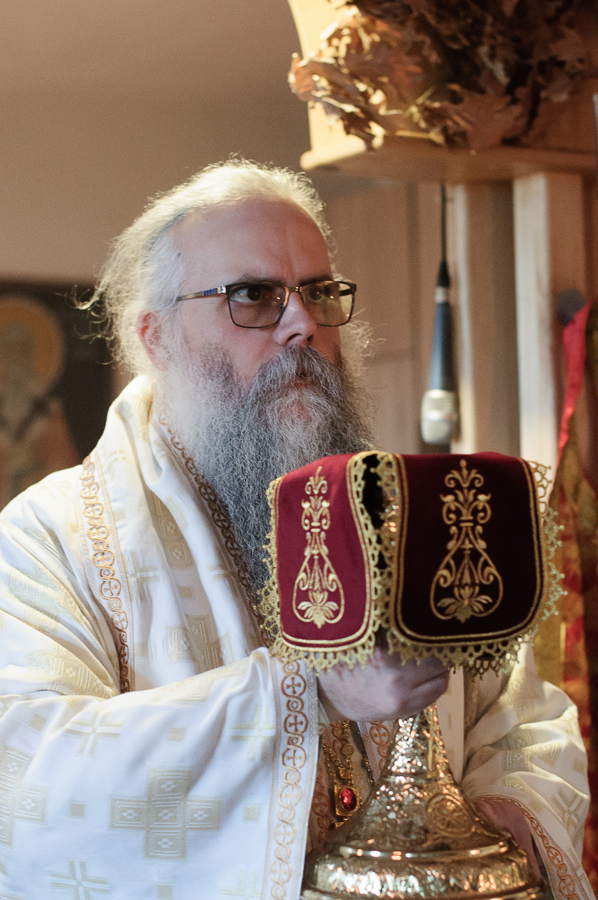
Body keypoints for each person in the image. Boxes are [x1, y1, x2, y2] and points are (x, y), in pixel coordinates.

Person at [0, 160, 591, 900]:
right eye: (253, 295)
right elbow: (26, 783)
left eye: (318, 292)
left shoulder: (412, 511)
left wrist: (500, 825)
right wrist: (311, 693)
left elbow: (525, 721)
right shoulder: (51, 539)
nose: (302, 323)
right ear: (156, 338)